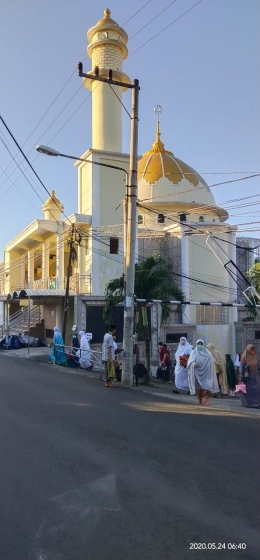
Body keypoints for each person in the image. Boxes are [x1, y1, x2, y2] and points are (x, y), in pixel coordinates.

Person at [187, 339, 219, 405]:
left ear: (203, 345)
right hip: (197, 373)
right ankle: (199, 399)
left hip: (206, 373)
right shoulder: (194, 353)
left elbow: (211, 363)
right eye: (198, 344)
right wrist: (193, 364)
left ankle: (206, 399)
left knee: (207, 385)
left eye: (201, 344)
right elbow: (190, 362)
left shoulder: (208, 354)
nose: (200, 345)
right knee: (198, 387)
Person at [239, 344, 260, 408]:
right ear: (248, 350)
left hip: (255, 376)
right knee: (248, 391)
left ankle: (257, 403)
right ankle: (248, 403)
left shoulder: (256, 357)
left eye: (253, 350)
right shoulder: (244, 357)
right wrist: (241, 376)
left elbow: (258, 365)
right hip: (247, 376)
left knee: (257, 389)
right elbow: (241, 367)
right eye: (251, 350)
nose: (252, 351)